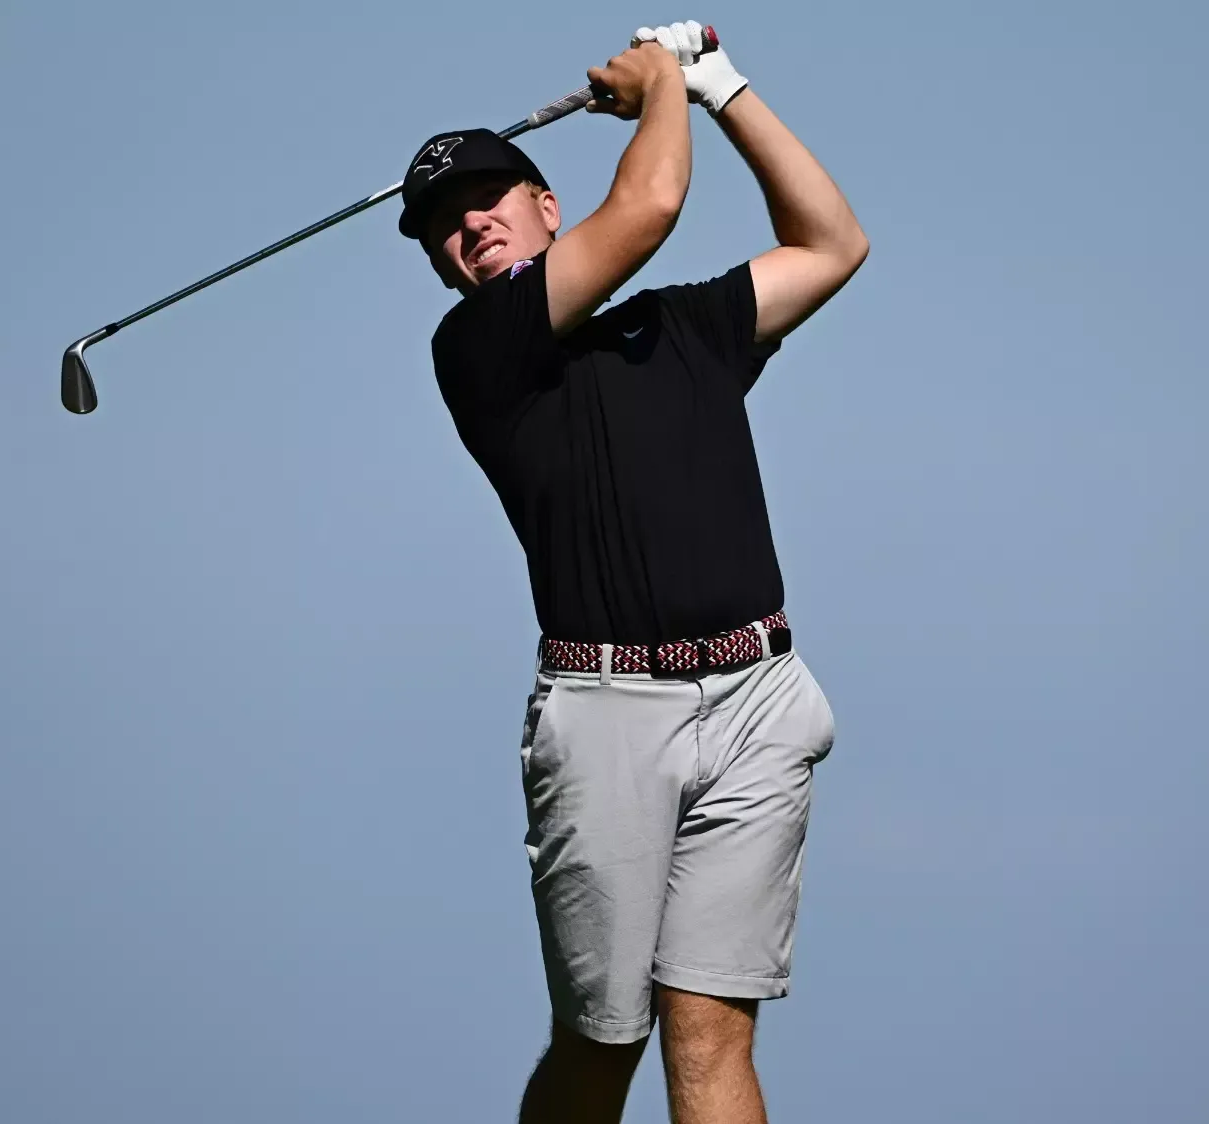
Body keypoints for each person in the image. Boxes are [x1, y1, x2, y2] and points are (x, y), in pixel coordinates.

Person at [396, 21, 868, 1124]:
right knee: (603, 1038)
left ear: (545, 206)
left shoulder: (683, 328)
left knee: (710, 1032)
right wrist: (661, 84)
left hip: (756, 696)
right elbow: (648, 205)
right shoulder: (476, 354)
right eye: (441, 230)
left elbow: (831, 241)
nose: (469, 227)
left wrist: (721, 87)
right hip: (606, 712)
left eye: (490, 199)